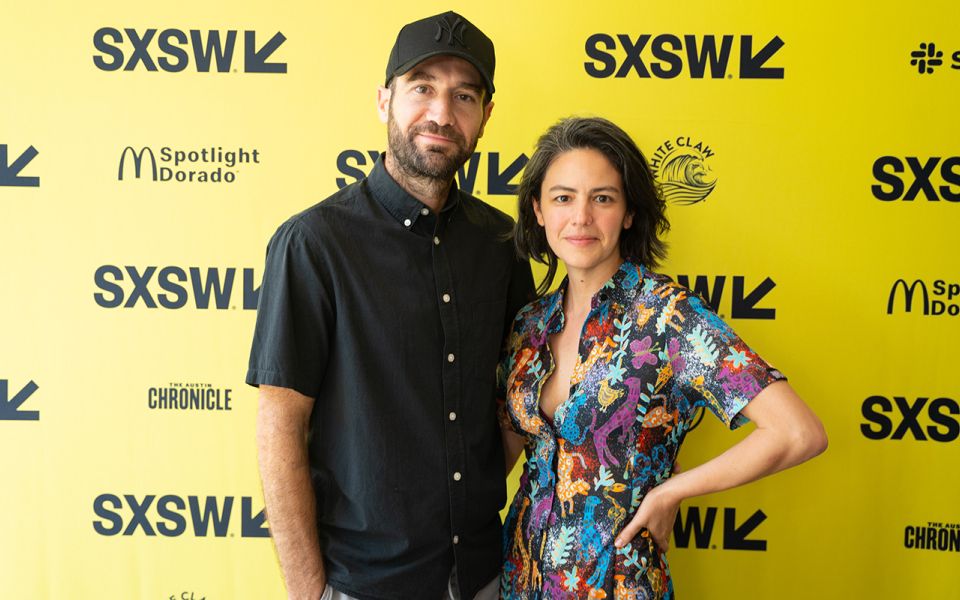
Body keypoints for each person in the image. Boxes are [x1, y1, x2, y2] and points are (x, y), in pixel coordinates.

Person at [246, 11, 534, 600]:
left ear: (485, 117)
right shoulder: (314, 243)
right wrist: (309, 594)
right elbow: (280, 429)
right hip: (363, 583)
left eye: (464, 96)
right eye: (421, 88)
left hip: (484, 575)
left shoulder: (503, 245)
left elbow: (521, 397)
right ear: (385, 101)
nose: (441, 113)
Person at [497, 117, 827, 599]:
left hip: (619, 584)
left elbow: (799, 432)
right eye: (563, 197)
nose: (581, 217)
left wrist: (671, 491)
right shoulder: (528, 325)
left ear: (629, 213)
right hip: (519, 580)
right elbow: (502, 456)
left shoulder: (668, 318)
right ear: (539, 210)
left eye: (603, 198)